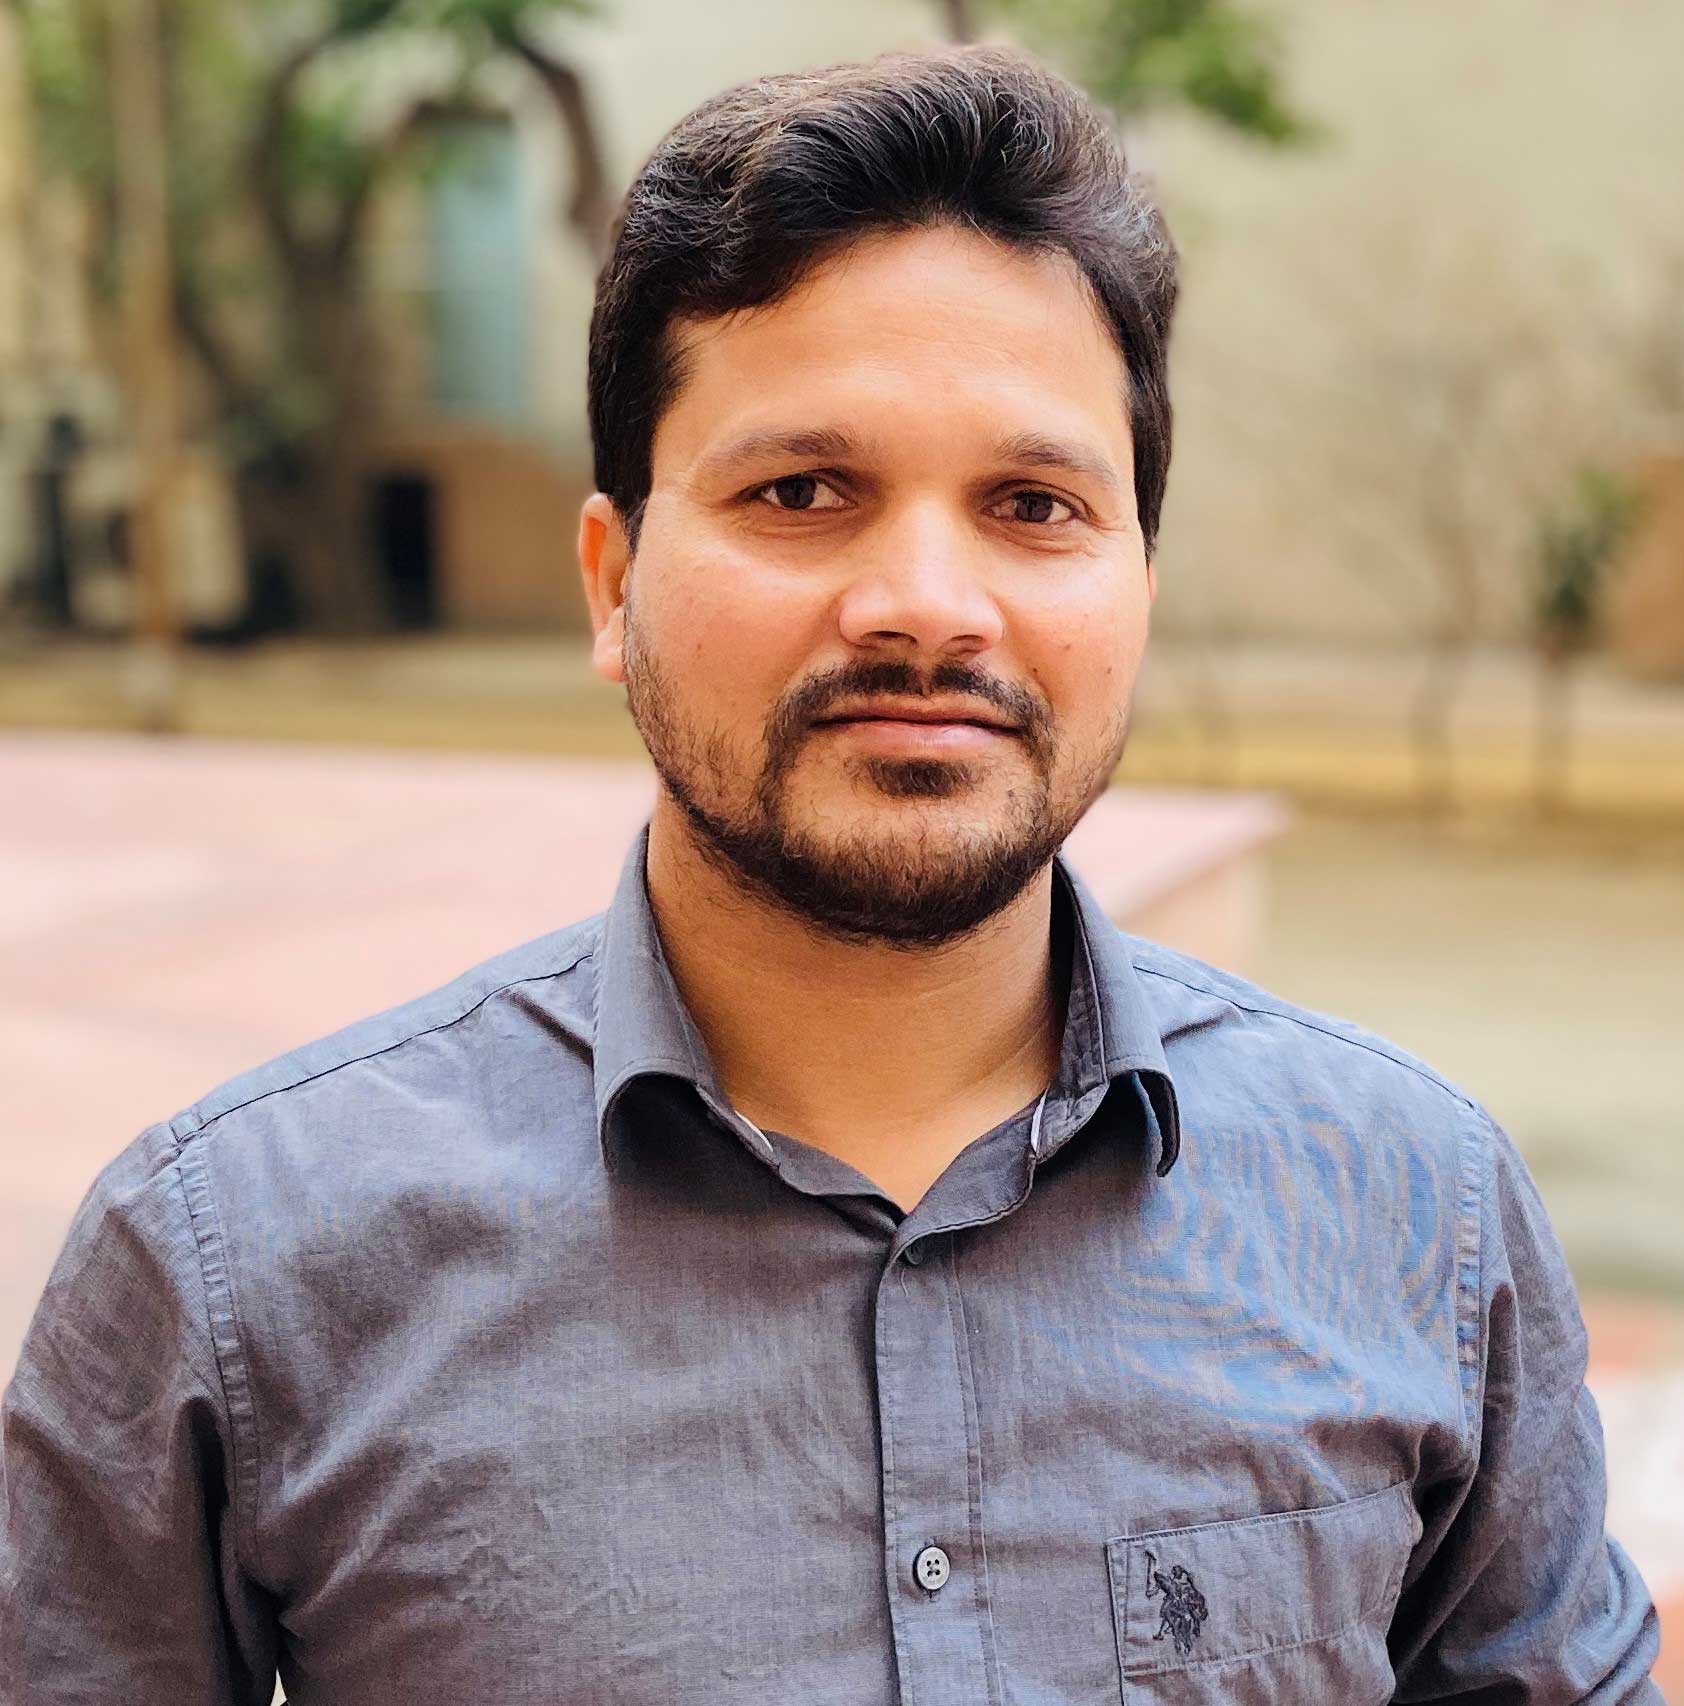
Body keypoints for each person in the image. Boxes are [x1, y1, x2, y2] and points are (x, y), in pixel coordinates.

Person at [1, 43, 1665, 1706]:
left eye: (1033, 503)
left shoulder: (1413, 1204)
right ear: (612, 580)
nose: (926, 602)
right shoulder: (239, 1259)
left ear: (1139, 587)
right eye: (803, 491)